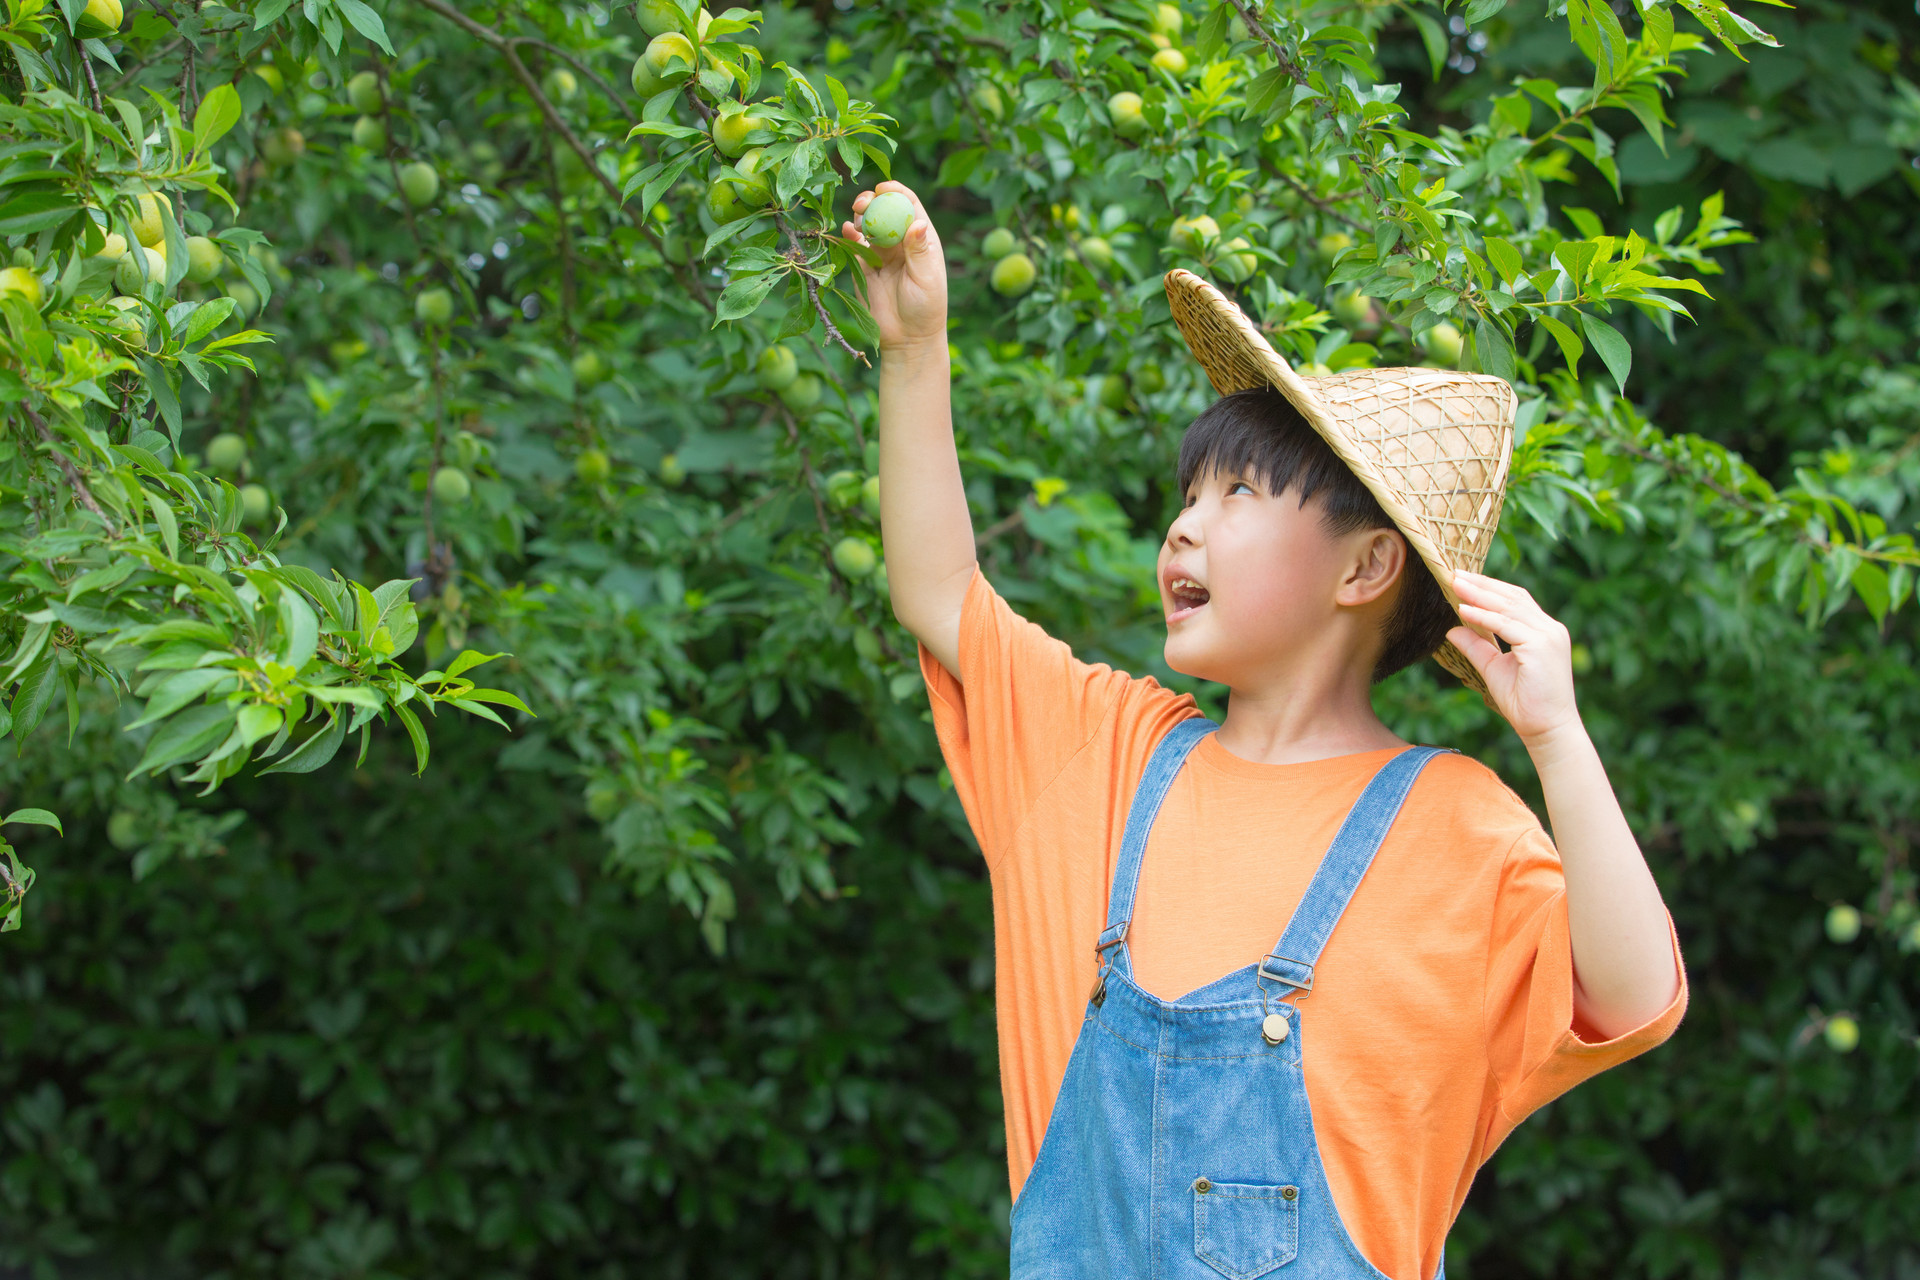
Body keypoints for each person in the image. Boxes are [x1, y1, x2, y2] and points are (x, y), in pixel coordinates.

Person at [843, 181, 1686, 1280]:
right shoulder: (1103, 752)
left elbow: (1631, 997)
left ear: (1367, 564)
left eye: (1239, 491)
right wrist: (913, 350)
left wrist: (1557, 735)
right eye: (1188, 493)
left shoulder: (1458, 828)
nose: (1186, 523)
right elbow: (938, 588)